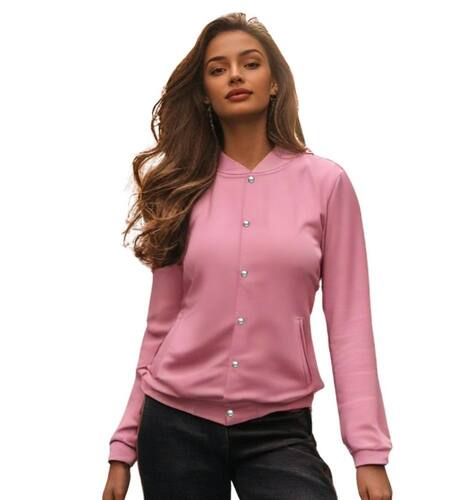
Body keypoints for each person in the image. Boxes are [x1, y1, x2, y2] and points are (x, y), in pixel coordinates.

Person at [102, 12, 393, 500]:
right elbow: (161, 323)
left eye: (250, 63)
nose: (235, 75)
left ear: (274, 82)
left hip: (279, 428)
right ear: (204, 93)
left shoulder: (326, 184)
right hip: (173, 425)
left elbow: (349, 322)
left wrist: (368, 452)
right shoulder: (181, 190)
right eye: (218, 70)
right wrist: (124, 444)